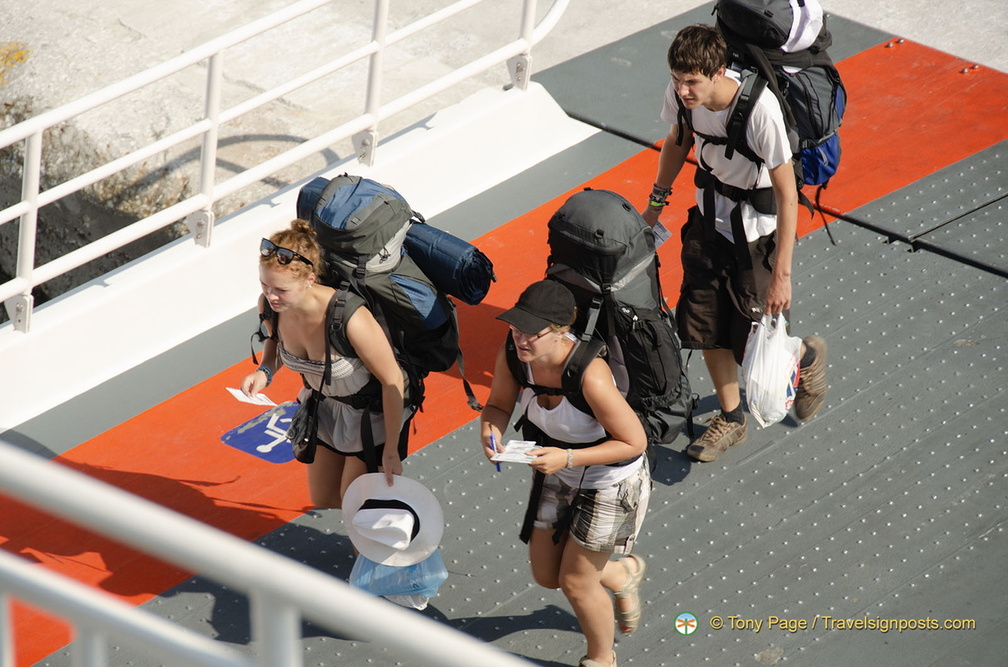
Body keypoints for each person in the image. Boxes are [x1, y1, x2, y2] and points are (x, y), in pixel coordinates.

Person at [641, 24, 828, 463]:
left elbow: (786, 196)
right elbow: (676, 142)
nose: (682, 90)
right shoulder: (682, 97)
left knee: (751, 339)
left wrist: (782, 275)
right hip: (708, 222)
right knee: (706, 326)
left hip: (757, 236)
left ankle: (805, 355)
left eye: (692, 82)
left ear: (718, 71)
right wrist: (654, 205)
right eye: (676, 79)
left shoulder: (759, 109)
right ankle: (731, 418)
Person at [480, 280, 650, 667]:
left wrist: (568, 459)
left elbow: (634, 442)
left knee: (576, 583)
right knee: (546, 575)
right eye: (515, 327)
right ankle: (621, 575)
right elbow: (497, 405)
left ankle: (601, 659)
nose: (520, 339)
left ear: (560, 332)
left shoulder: (590, 375)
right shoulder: (513, 353)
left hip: (611, 479)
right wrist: (489, 430)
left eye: (530, 332)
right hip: (560, 468)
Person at [241, 220, 409, 508]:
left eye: (280, 289)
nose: (270, 295)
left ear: (309, 280)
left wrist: (391, 450)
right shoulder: (270, 307)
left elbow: (393, 380)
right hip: (324, 410)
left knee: (356, 504)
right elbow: (275, 341)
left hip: (373, 416)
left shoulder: (349, 318)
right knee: (324, 497)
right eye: (264, 284)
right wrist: (265, 370)